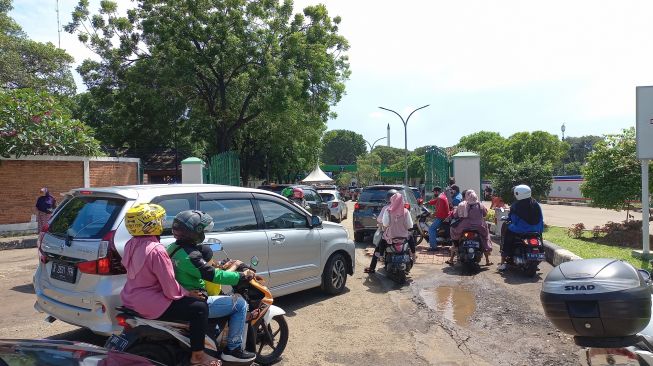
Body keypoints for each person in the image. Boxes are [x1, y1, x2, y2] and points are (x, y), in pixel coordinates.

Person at [119, 204, 221, 366]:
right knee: (199, 308)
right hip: (150, 303)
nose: (162, 222)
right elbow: (170, 288)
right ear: (150, 224)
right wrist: (189, 293)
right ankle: (198, 355)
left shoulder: (131, 244)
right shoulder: (157, 250)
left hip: (130, 298)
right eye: (159, 219)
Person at [167, 210, 257, 363]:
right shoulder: (191, 256)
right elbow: (215, 276)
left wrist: (219, 263)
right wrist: (242, 276)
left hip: (182, 295)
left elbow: (206, 263)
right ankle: (233, 349)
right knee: (240, 304)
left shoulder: (173, 248)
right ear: (194, 232)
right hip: (196, 299)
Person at [498, 185, 544, 271]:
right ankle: (539, 256)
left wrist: (509, 220)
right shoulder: (536, 204)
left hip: (520, 229)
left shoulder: (516, 205)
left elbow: (512, 218)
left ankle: (503, 260)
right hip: (536, 229)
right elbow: (541, 217)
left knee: (507, 237)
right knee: (540, 239)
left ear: (518, 194)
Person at [447, 190, 493, 266]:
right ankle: (487, 260)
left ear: (466, 197)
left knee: (453, 232)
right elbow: (485, 214)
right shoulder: (480, 205)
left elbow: (455, 215)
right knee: (485, 238)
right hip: (479, 227)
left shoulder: (462, 205)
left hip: (463, 227)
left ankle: (451, 259)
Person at [364, 189, 397, 274]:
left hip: (388, 235)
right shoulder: (403, 209)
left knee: (377, 249)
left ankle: (372, 267)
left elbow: (380, 220)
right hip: (401, 235)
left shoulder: (386, 208)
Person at [427, 186, 450, 251]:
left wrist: (433, 214)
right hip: (444, 216)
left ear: (437, 191)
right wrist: (427, 203)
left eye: (434, 192)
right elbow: (435, 201)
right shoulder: (442, 196)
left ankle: (433, 247)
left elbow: (439, 211)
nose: (434, 193)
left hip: (442, 217)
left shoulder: (440, 198)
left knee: (431, 229)